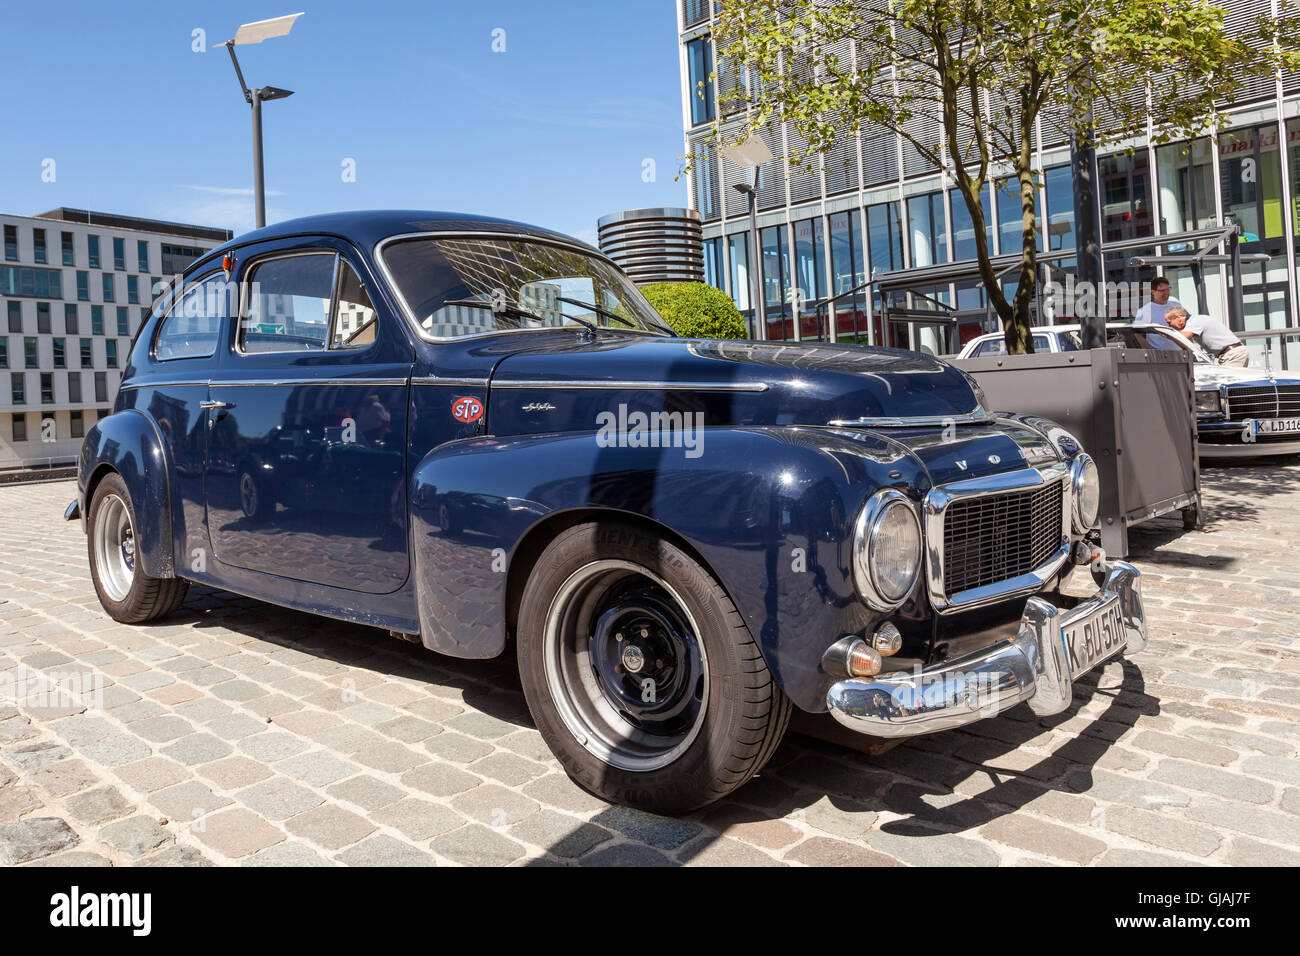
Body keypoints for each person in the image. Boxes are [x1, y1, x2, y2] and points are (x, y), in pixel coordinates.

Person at [1165, 306, 1249, 367]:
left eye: (1169, 322)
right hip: (1232, 353)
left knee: (1227, 384)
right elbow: (1188, 345)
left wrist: (1168, 333)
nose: (1170, 325)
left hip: (1233, 354)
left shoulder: (1194, 321)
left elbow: (1184, 337)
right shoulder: (1193, 324)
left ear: (1179, 317)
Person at [1134, 276, 1181, 350]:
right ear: (1153, 292)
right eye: (1162, 291)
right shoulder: (1145, 311)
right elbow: (1137, 335)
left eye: (1168, 289)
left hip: (1181, 353)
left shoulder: (1176, 304)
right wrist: (1151, 350)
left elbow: (1187, 326)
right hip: (1160, 356)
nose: (1166, 293)